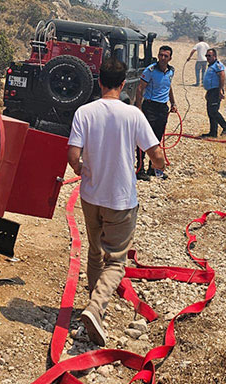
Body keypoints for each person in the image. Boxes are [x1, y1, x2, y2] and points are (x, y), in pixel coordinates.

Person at [67, 57, 163, 346]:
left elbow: (73, 156)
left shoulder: (84, 112)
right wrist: (160, 164)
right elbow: (155, 154)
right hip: (121, 199)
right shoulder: (133, 114)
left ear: (99, 81)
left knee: (95, 252)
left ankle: (92, 309)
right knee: (117, 260)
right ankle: (96, 309)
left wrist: (81, 168)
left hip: (90, 196)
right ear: (123, 84)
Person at [134, 45, 177, 179]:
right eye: (161, 55)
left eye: (166, 56)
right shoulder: (150, 70)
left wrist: (173, 103)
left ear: (170, 58)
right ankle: (140, 170)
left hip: (162, 109)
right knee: (143, 139)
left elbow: (168, 87)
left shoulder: (171, 71)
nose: (163, 58)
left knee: (157, 139)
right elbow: (140, 88)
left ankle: (152, 169)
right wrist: (139, 108)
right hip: (150, 107)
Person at [201, 48, 226, 138]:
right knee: (210, 112)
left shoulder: (217, 65)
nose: (207, 57)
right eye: (206, 56)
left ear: (214, 56)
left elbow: (222, 75)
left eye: (209, 56)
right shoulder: (210, 65)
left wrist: (220, 90)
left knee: (214, 111)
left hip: (216, 91)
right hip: (211, 91)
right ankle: (213, 132)